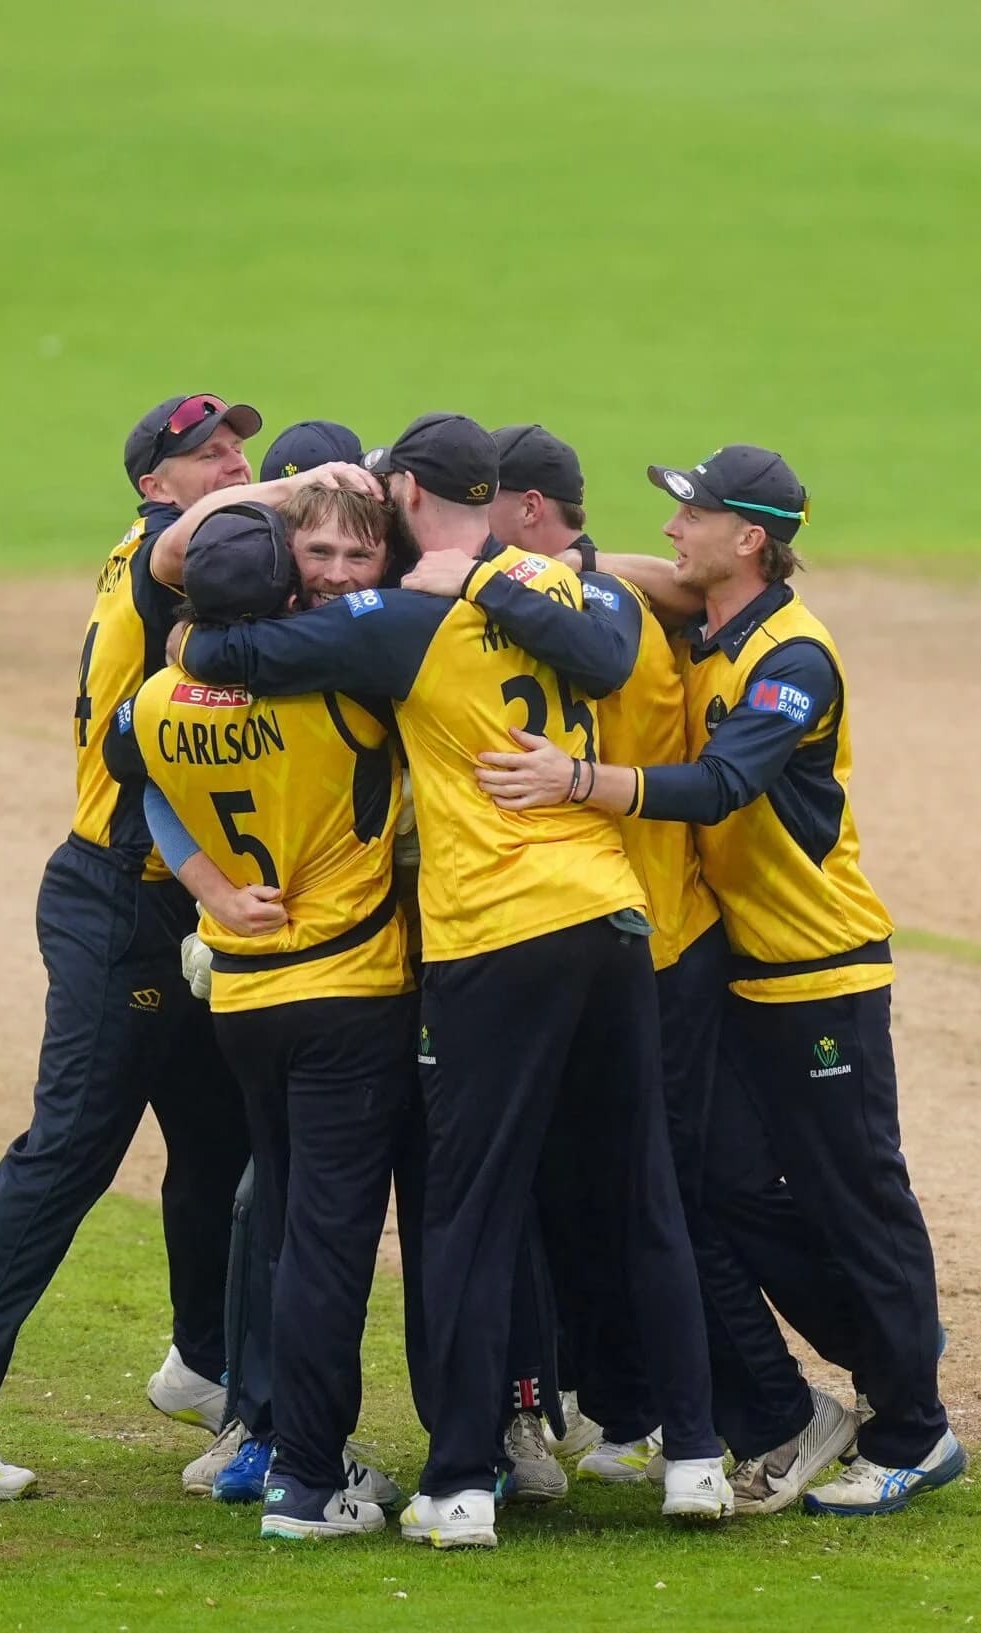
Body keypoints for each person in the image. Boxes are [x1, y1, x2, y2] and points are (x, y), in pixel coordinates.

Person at [180, 411, 728, 1547]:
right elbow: (617, 642)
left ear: (408, 493)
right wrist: (494, 576)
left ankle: (465, 1481)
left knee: (470, 1216)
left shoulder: (404, 619)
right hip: (612, 913)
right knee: (648, 1200)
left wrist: (203, 619)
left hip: (487, 934)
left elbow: (227, 655)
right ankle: (695, 1460)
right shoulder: (564, 582)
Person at [475, 444, 962, 1517]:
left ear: (748, 537)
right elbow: (639, 577)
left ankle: (913, 1426)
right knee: (727, 1189)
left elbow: (721, 785)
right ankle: (872, 1361)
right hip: (744, 970)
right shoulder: (716, 624)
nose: (672, 529)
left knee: (859, 1196)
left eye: (690, 514)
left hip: (819, 967)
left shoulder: (793, 657)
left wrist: (575, 780)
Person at [426, 427, 853, 1512]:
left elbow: (699, 770)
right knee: (619, 1196)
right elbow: (652, 572)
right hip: (636, 937)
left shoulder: (601, 620)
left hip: (648, 943)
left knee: (660, 1200)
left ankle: (776, 1408)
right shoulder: (631, 603)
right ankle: (647, 1411)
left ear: (522, 513)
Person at [0, 394, 262, 1498]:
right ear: (156, 484)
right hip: (120, 905)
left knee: (220, 1136)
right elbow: (202, 537)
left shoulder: (165, 549)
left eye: (241, 446)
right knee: (68, 1153)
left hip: (172, 907)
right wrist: (337, 484)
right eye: (210, 455)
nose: (236, 463)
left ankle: (206, 1359)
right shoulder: (159, 550)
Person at [121, 500, 420, 1541]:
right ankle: (305, 1481)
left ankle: (284, 1441)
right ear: (289, 593)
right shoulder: (341, 688)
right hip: (347, 992)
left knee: (292, 1234)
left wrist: (204, 882)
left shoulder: (159, 696)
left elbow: (142, 771)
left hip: (243, 996)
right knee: (331, 1247)